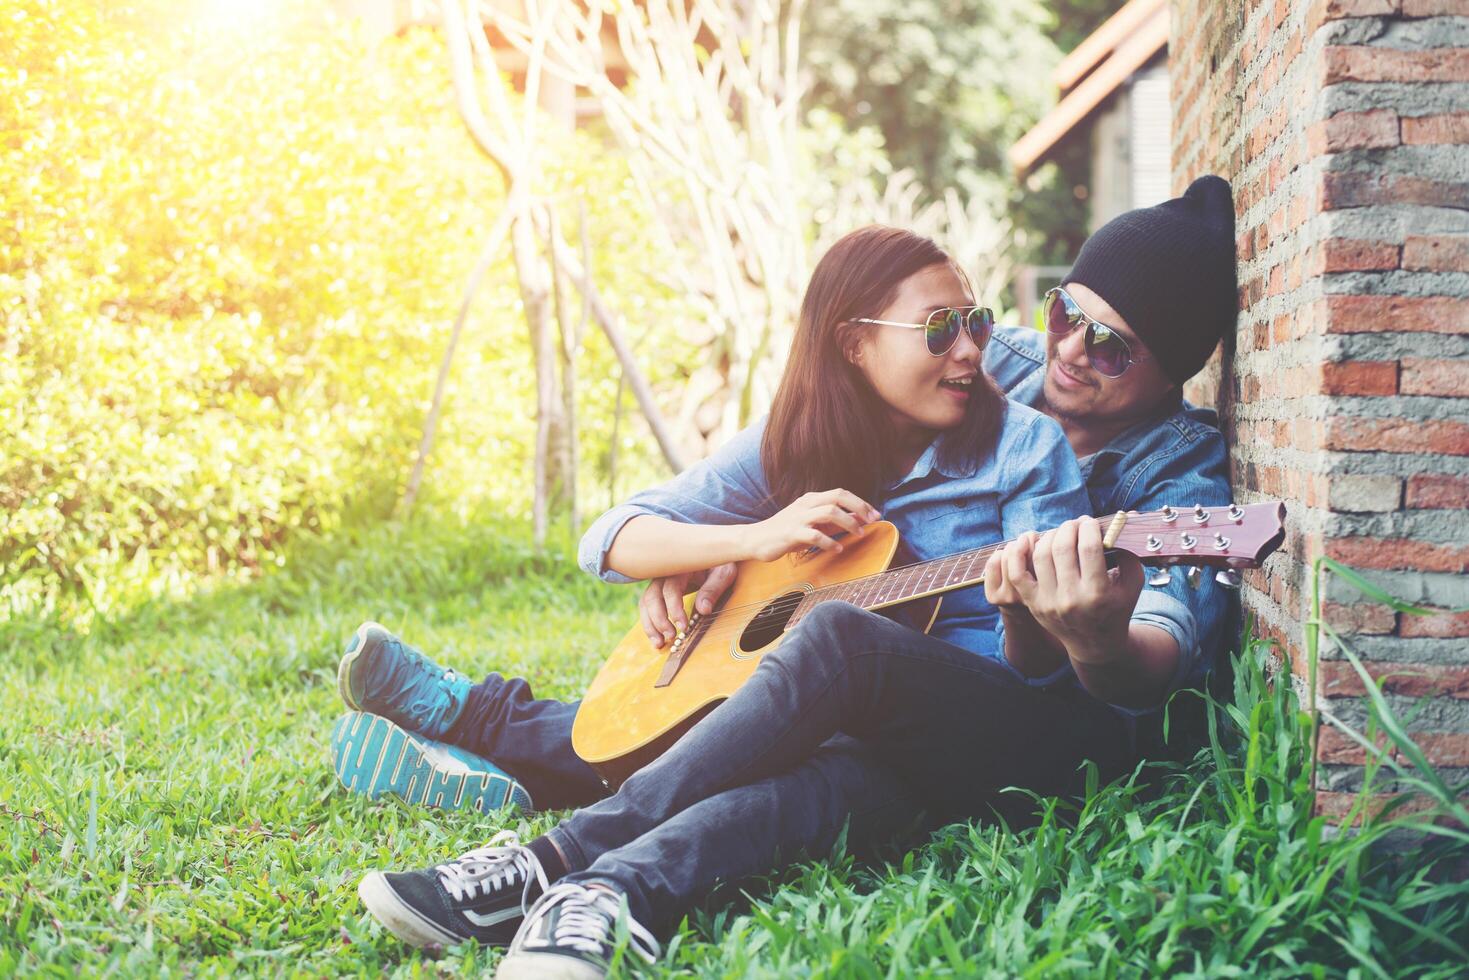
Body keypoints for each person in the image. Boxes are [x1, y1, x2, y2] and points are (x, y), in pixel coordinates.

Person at [343, 176, 1239, 979]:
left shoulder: (1165, 475)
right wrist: (720, 546)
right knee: (815, 764)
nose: (1068, 353)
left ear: (1174, 370)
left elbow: (1134, 669)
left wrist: (1086, 636)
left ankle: (546, 842)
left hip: (1034, 725)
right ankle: (606, 900)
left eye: (1112, 346)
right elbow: (639, 523)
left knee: (838, 643)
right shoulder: (981, 359)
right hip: (873, 709)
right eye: (1059, 315)